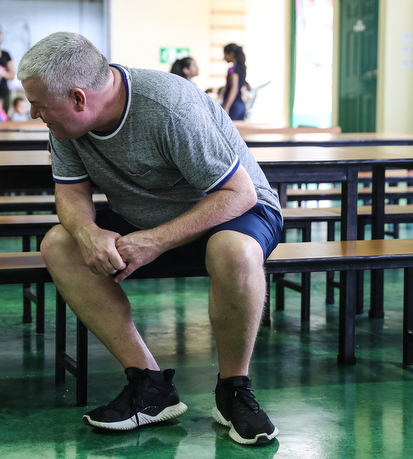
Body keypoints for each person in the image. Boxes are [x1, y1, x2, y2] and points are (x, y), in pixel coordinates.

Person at [17, 32, 282, 446]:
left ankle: (234, 391)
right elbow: (70, 192)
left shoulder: (168, 108)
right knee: (59, 243)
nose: (34, 113)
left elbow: (239, 193)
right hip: (146, 220)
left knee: (234, 250)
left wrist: (155, 241)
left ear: (78, 98)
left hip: (234, 210)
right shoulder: (65, 124)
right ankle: (150, 386)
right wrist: (88, 233)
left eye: (39, 105)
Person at [222, 43, 248, 120]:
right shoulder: (242, 68)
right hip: (241, 105)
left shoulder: (233, 69)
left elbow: (234, 88)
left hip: (234, 105)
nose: (224, 57)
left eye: (225, 54)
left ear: (231, 54)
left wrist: (226, 107)